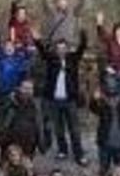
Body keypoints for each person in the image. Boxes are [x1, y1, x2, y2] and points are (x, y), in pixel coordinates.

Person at [38, 33, 88, 166]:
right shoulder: (51, 59)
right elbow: (42, 53)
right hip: (55, 100)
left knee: (74, 129)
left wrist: (84, 37)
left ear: (67, 49)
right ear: (56, 50)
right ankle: (63, 150)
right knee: (59, 128)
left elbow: (82, 49)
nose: (61, 50)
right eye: (58, 48)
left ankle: (79, 153)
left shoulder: (73, 59)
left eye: (63, 48)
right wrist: (37, 40)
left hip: (69, 100)